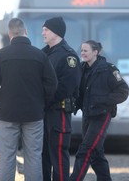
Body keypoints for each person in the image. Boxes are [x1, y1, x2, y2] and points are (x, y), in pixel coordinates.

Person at [0, 18, 58, 181]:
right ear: (26, 32)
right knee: (33, 157)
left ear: (10, 34)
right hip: (34, 114)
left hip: (7, 114)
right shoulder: (40, 56)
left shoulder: (0, 55)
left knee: (6, 157)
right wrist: (42, 101)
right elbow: (52, 83)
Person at [70, 40, 129, 181]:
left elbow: (123, 91)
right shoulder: (82, 68)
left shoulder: (109, 70)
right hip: (87, 116)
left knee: (85, 150)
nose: (82, 53)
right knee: (96, 153)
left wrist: (103, 101)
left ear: (95, 52)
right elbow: (80, 92)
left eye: (86, 50)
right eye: (82, 50)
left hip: (101, 116)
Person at [41, 16, 82, 181]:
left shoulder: (68, 56)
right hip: (42, 112)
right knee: (42, 154)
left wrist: (45, 100)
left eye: (46, 29)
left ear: (56, 32)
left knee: (58, 154)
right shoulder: (42, 53)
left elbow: (66, 87)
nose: (42, 32)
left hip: (59, 112)